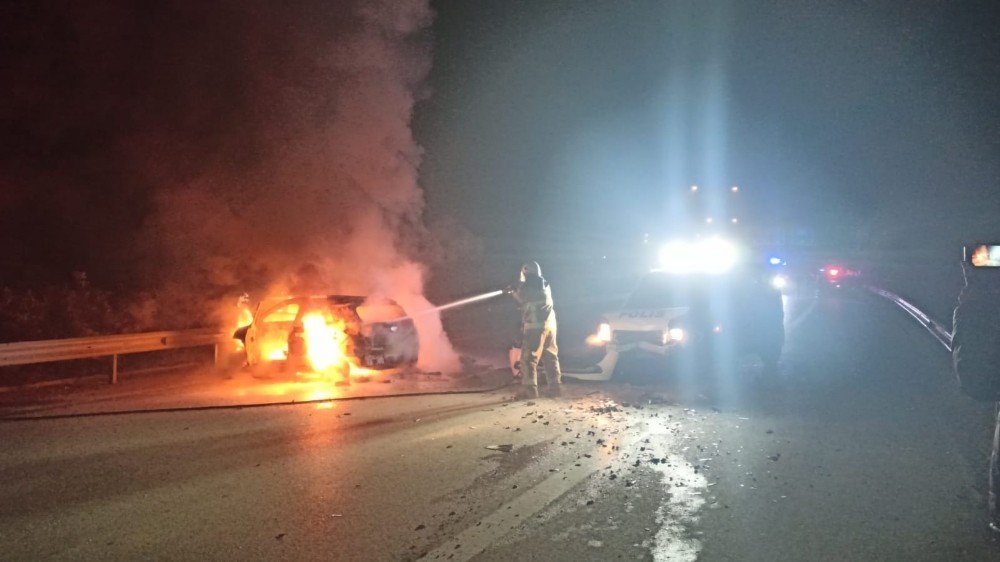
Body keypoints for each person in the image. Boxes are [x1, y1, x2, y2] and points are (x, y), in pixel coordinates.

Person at [506, 261, 562, 398]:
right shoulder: (545, 284)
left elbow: (521, 298)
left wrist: (512, 291)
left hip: (535, 328)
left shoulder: (529, 285)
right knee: (550, 357)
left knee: (528, 358)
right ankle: (555, 388)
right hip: (550, 326)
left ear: (526, 272)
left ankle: (529, 390)